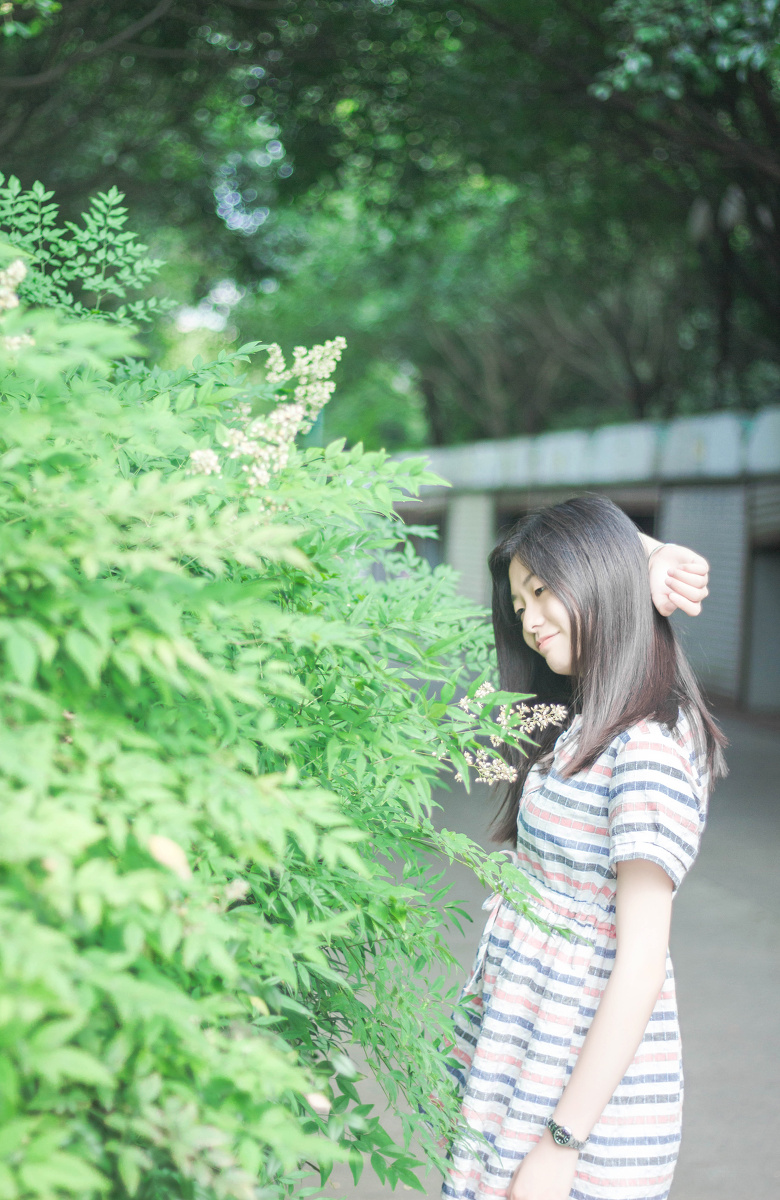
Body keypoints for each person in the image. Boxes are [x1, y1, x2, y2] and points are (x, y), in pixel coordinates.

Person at [442, 496, 726, 1200]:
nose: (529, 620)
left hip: (575, 1100)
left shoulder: (646, 748)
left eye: (543, 591)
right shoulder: (582, 726)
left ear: (600, 576)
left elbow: (640, 964)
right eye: (519, 604)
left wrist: (561, 1144)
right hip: (527, 1058)